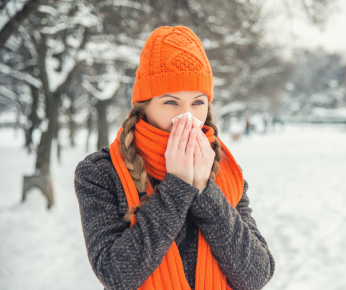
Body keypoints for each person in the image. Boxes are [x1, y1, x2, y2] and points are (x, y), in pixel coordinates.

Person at [74, 25, 275, 290]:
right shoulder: (101, 172)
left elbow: (256, 275)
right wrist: (178, 186)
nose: (187, 117)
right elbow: (116, 274)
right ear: (144, 105)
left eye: (198, 102)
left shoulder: (226, 171)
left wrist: (204, 189)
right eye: (171, 102)